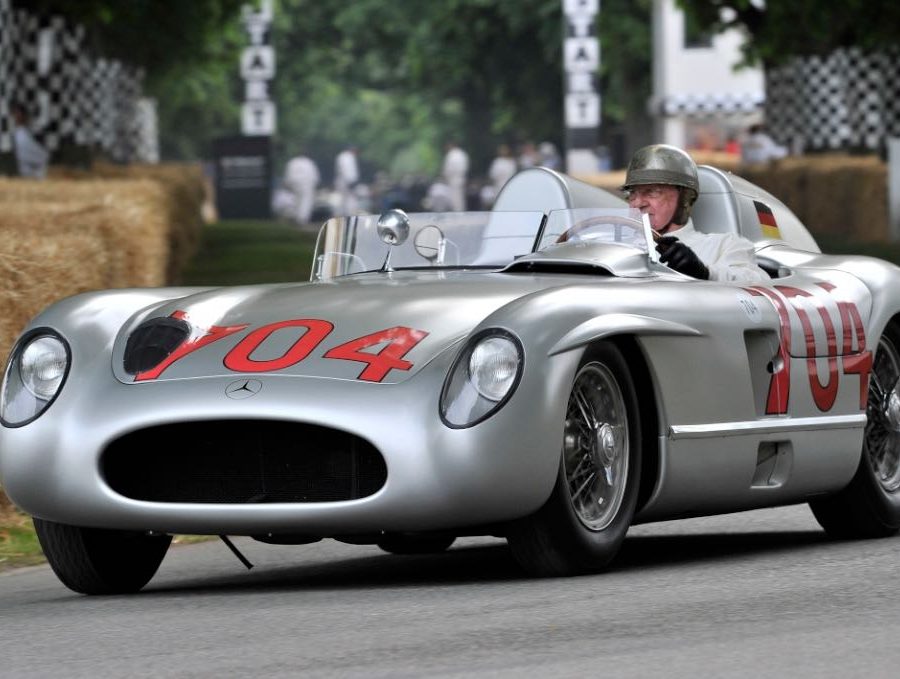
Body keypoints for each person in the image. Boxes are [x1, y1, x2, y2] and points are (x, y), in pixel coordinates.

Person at [622, 144, 769, 283]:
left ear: (685, 197)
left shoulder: (723, 245)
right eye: (632, 193)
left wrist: (704, 272)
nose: (637, 203)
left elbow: (759, 283)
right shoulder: (617, 246)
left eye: (651, 192)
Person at [12, 104, 48, 179]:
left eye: (19, 113)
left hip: (39, 165)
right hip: (24, 166)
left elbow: (42, 148)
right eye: (15, 114)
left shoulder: (32, 128)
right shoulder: (15, 131)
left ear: (24, 115)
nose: (17, 116)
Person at [283, 150, 320, 224]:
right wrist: (315, 184)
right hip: (306, 184)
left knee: (296, 200)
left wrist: (287, 184)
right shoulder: (309, 162)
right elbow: (314, 175)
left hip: (295, 184)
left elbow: (288, 175)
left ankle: (296, 216)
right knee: (306, 201)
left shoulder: (292, 162)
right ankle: (302, 218)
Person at [441, 141, 469, 211]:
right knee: (460, 198)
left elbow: (448, 169)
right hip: (461, 178)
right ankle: (460, 211)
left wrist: (445, 176)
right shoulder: (462, 154)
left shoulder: (451, 155)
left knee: (454, 198)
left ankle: (456, 212)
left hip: (453, 179)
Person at [334, 145, 360, 216]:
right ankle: (349, 215)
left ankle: (342, 215)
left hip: (342, 180)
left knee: (343, 199)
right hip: (347, 181)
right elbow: (347, 169)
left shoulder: (342, 156)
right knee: (350, 199)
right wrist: (350, 181)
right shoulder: (348, 157)